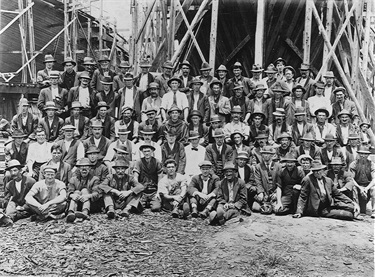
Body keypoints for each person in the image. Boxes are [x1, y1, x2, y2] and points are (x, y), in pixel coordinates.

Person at [66, 158, 101, 222]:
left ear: (90, 168)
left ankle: (85, 213)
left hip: (90, 204)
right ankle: (71, 212)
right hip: (77, 203)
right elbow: (68, 192)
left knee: (84, 190)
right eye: (82, 167)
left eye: (86, 167)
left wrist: (88, 196)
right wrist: (72, 195)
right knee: (76, 192)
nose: (84, 169)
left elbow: (97, 194)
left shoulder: (95, 179)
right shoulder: (73, 179)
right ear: (79, 169)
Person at [133, 144, 164, 211]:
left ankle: (150, 202)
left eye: (148, 151)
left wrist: (158, 192)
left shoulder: (157, 162)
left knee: (156, 208)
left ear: (152, 151)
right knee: (137, 207)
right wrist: (137, 188)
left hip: (153, 191)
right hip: (143, 191)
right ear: (142, 152)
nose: (146, 153)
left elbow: (160, 177)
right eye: (144, 151)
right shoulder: (139, 162)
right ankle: (144, 202)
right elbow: (136, 175)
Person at [252, 146, 281, 213]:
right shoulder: (258, 167)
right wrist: (261, 192)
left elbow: (280, 182)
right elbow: (258, 181)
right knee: (255, 207)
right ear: (262, 155)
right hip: (264, 193)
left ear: (272, 155)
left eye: (268, 154)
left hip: (274, 193)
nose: (266, 156)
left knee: (278, 210)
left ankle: (270, 206)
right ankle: (265, 206)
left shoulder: (278, 166)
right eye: (264, 154)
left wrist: (276, 193)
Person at [349, 146, 375, 217]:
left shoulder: (371, 164)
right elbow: (351, 179)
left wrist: (366, 188)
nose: (363, 156)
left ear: (368, 155)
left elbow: (374, 179)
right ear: (358, 154)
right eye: (361, 154)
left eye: (365, 154)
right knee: (352, 187)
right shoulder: (354, 164)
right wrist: (360, 188)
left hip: (367, 186)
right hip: (357, 185)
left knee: (374, 189)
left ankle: (373, 211)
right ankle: (356, 208)